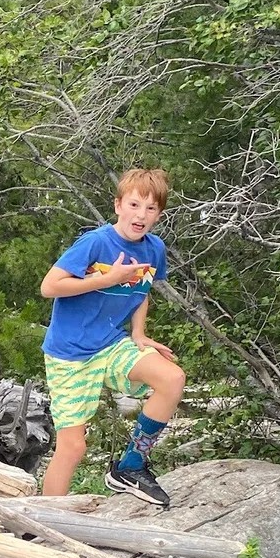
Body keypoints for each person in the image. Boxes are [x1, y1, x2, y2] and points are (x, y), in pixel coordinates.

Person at [38, 168, 185, 507]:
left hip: (112, 343)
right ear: (118, 206)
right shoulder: (96, 242)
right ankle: (42, 519)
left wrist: (139, 333)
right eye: (134, 205)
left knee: (172, 378)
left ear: (159, 215)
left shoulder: (154, 249)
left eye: (150, 209)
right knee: (73, 446)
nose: (141, 215)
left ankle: (131, 466)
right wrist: (105, 279)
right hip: (70, 354)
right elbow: (49, 286)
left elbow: (142, 290)